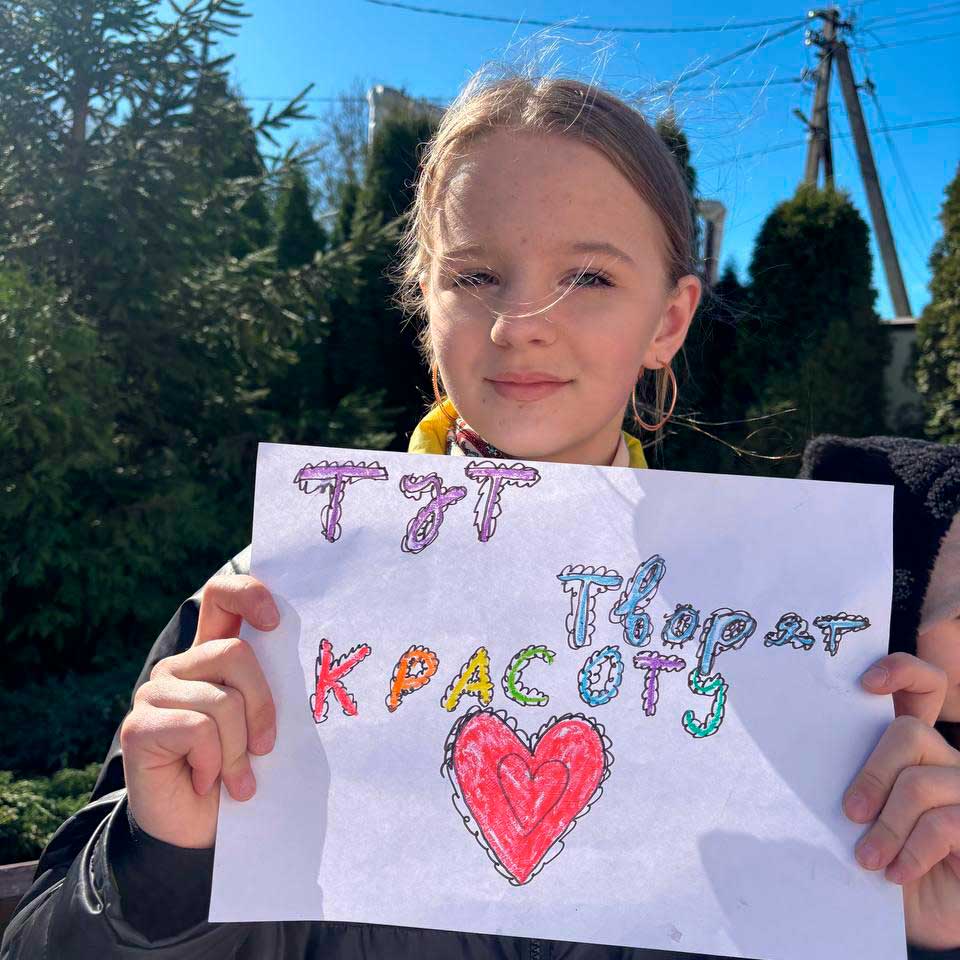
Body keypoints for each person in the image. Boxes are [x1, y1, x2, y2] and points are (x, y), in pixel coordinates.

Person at [2, 66, 958, 959]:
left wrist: (915, 924)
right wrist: (161, 866)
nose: (519, 325)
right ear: (425, 302)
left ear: (668, 321)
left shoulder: (772, 636)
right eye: (473, 276)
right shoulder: (265, 606)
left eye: (589, 277)